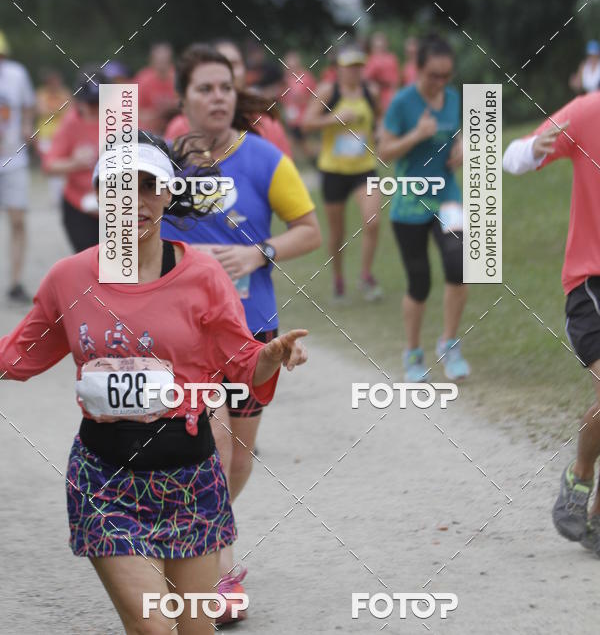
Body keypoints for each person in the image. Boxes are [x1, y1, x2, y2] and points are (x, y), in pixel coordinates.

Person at [0, 131, 308, 634]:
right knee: (153, 627)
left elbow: (242, 364)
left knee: (194, 631)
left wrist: (273, 355)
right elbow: (18, 357)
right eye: (121, 186)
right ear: (100, 194)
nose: (136, 201)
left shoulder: (204, 276)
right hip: (105, 481)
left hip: (190, 480)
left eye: (149, 186)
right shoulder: (68, 279)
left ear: (167, 193)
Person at [160, 44, 321, 611]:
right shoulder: (165, 164)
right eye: (205, 88)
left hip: (252, 333)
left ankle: (190, 544)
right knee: (216, 452)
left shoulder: (264, 159)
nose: (217, 98)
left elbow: (310, 229)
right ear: (183, 98)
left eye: (225, 87)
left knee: (239, 463)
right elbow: (126, 229)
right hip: (185, 340)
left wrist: (260, 253)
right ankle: (218, 573)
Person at [503, 91, 600, 557]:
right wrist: (531, 150)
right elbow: (512, 158)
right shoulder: (588, 112)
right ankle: (580, 475)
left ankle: (596, 516)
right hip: (590, 282)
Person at [379, 34, 469, 382]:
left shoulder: (453, 98)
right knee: (420, 282)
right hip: (410, 201)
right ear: (418, 70)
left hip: (447, 194)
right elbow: (384, 152)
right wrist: (415, 135)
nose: (440, 83)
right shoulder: (402, 103)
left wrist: (462, 147)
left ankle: (449, 343)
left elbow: (455, 136)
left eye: (447, 75)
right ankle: (413, 353)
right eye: (434, 75)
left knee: (459, 264)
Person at [303, 45, 382, 301]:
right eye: (349, 67)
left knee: (373, 221)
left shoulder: (370, 92)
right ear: (338, 69)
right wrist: (335, 119)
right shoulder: (329, 91)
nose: (355, 71)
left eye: (359, 66)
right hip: (333, 171)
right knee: (337, 233)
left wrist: (381, 134)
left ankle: (366, 276)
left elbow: (378, 120)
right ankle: (338, 278)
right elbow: (306, 123)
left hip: (364, 169)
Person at [165, 40, 292, 157]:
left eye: (234, 64)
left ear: (244, 70)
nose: (226, 71)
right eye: (220, 64)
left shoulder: (266, 123)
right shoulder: (180, 127)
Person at [43, 69, 105, 253]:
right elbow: (49, 165)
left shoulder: (122, 120)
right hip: (79, 205)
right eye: (90, 103)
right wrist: (75, 163)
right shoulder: (71, 123)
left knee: (119, 270)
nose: (94, 109)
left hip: (116, 207)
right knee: (89, 263)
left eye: (99, 103)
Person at [0, 30, 36, 303]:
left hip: (13, 158)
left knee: (18, 220)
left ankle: (15, 283)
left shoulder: (16, 74)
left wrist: (27, 125)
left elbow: (28, 105)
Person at [35, 68, 70, 206]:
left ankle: (64, 195)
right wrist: (59, 109)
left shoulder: (65, 93)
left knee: (63, 167)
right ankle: (55, 197)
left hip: (63, 135)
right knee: (51, 166)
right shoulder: (41, 94)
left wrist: (53, 110)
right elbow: (41, 110)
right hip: (46, 136)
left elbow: (69, 110)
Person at [281, 49, 318, 163]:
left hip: (303, 118)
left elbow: (315, 96)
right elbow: (283, 97)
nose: (291, 67)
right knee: (296, 144)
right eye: (288, 65)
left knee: (300, 145)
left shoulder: (306, 77)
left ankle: (315, 161)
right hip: (291, 118)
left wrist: (302, 100)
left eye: (293, 64)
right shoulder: (286, 79)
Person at [135, 43, 179, 135]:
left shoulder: (178, 78)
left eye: (165, 60)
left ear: (171, 61)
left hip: (175, 127)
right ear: (151, 61)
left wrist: (173, 108)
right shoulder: (143, 79)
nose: (162, 64)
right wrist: (158, 113)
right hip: (151, 130)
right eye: (159, 61)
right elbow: (135, 112)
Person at [364, 31, 400, 110]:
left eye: (381, 45)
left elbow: (395, 80)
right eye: (377, 46)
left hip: (389, 92)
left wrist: (394, 93)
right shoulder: (370, 59)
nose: (380, 47)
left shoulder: (392, 58)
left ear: (386, 44)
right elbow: (366, 78)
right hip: (376, 94)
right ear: (373, 46)